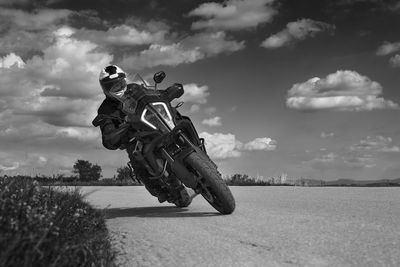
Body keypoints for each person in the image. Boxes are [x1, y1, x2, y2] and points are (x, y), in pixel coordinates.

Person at [93, 64, 186, 203]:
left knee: (182, 119)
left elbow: (156, 95)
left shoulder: (135, 88)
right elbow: (108, 136)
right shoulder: (105, 109)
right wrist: (114, 134)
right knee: (138, 162)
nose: (118, 87)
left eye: (121, 82)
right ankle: (164, 189)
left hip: (159, 124)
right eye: (113, 86)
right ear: (105, 89)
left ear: (125, 80)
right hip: (136, 138)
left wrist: (168, 93)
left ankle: (201, 157)